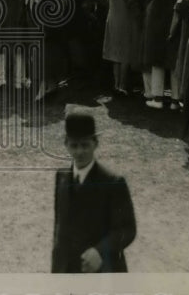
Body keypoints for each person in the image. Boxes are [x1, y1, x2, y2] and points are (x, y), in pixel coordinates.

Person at [51, 111, 136, 273]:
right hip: (67, 270)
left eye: (85, 145)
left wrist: (100, 251)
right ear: (65, 144)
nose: (79, 152)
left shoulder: (112, 182)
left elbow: (127, 229)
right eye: (74, 145)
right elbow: (59, 230)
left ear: (95, 143)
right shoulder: (61, 177)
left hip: (102, 271)